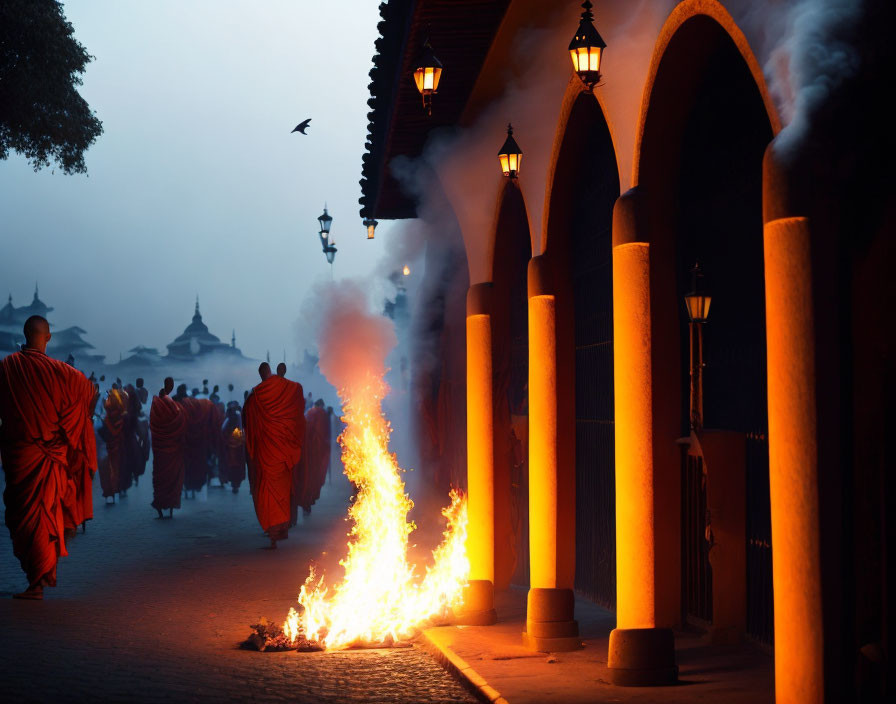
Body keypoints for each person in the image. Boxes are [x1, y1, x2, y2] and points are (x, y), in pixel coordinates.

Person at [0, 316, 97, 599]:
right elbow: (89, 393)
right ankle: (38, 578)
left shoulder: (6, 368)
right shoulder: (64, 373)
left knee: (23, 518)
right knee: (43, 514)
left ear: (24, 334)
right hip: (50, 457)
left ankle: (36, 582)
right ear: (49, 337)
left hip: (20, 456)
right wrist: (73, 425)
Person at [243, 362, 304, 548]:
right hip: (276, 452)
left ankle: (274, 531)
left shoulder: (256, 395)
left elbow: (247, 420)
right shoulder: (283, 388)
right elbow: (298, 393)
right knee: (277, 492)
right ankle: (277, 530)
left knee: (269, 492)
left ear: (264, 373)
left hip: (267, 453)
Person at [150, 378, 186, 518]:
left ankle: (165, 509)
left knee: (166, 477)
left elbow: (154, 421)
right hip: (169, 446)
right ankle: (165, 508)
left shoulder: (159, 402)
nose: (171, 387)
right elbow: (178, 419)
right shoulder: (165, 401)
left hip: (163, 446)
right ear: (168, 385)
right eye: (170, 385)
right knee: (167, 477)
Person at [175, 389, 216, 498]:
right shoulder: (199, 405)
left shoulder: (179, 405)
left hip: (185, 442)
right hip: (197, 442)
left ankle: (187, 487)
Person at [98, 387, 128, 504]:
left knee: (106, 471)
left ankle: (109, 495)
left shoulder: (106, 419)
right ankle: (120, 489)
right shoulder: (123, 417)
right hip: (120, 448)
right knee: (120, 468)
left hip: (108, 448)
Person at [220, 401, 246, 494]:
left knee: (233, 466)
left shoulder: (229, 418)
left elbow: (223, 430)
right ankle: (235, 485)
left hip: (232, 449)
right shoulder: (239, 418)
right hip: (237, 448)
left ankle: (234, 484)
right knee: (237, 467)